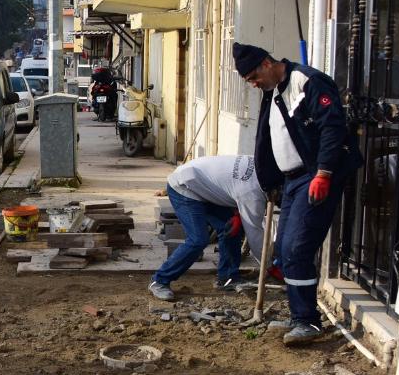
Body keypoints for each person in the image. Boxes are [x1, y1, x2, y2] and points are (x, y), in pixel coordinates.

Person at [232, 42, 362, 346]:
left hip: (313, 176)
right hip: (292, 181)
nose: (253, 84)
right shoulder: (274, 92)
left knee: (296, 248)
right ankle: (299, 316)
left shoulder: (307, 81)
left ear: (266, 63)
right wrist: (273, 180)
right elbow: (271, 137)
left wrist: (324, 172)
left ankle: (307, 322)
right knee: (283, 249)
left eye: (253, 76)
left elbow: (333, 127)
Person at [149, 155, 268, 301]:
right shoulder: (251, 191)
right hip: (184, 187)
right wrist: (270, 266)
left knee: (230, 229)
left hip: (203, 185)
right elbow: (255, 234)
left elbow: (228, 185)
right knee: (198, 239)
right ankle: (159, 280)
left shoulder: (261, 163)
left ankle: (228, 278)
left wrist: (236, 214)